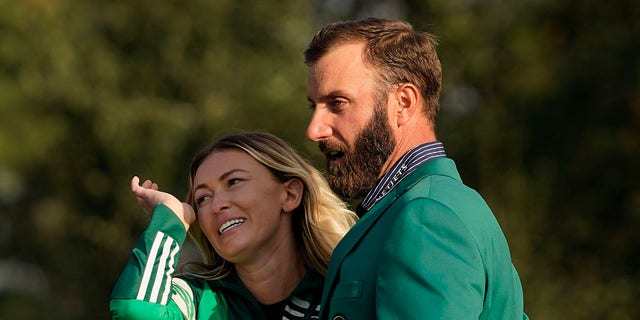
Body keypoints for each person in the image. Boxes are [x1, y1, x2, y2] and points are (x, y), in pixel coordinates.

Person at [304, 18, 528, 319]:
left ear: (403, 102)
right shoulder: (429, 205)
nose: (315, 129)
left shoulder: (427, 217)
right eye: (313, 106)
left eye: (337, 103)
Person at [110, 131, 358, 319]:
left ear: (290, 195)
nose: (216, 205)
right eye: (202, 198)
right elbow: (134, 309)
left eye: (234, 181)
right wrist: (170, 220)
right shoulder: (197, 301)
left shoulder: (345, 291)